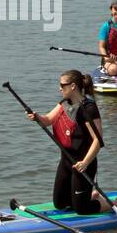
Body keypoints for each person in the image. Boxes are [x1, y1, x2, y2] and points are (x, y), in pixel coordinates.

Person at [27, 70, 103, 215]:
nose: (60, 88)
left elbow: (97, 141)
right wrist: (37, 117)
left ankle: (116, 203)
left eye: (62, 85)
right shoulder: (64, 103)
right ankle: (88, 195)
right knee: (60, 204)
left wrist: (85, 162)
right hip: (66, 161)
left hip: (83, 164)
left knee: (82, 209)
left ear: (73, 86)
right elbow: (48, 120)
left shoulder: (88, 108)